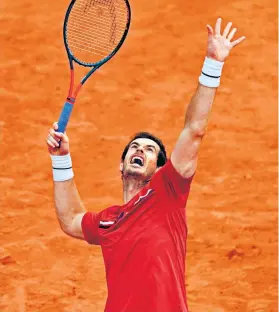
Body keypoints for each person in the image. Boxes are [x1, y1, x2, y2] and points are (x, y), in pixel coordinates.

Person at [46, 18, 245, 312]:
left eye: (151, 150)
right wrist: (60, 159)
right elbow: (71, 219)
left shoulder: (167, 193)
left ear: (160, 169)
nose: (140, 149)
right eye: (135, 148)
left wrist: (213, 65)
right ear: (121, 165)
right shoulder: (108, 221)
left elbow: (194, 129)